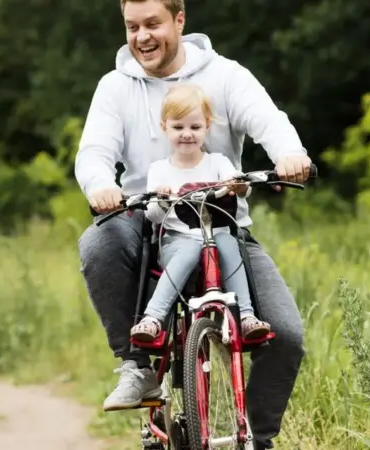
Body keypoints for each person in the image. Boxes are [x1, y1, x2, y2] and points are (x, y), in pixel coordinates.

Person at [74, 1, 312, 448]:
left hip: (222, 227)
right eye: (132, 26)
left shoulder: (225, 76)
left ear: (179, 21)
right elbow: (93, 153)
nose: (142, 36)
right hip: (149, 223)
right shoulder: (115, 88)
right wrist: (100, 185)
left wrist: (289, 154)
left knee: (287, 337)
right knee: (98, 242)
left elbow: (269, 121)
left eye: (153, 24)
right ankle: (137, 367)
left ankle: (256, 438)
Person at [130, 83, 271, 343]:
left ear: (207, 126)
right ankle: (153, 317)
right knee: (188, 250)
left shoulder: (218, 163)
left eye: (195, 127)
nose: (187, 134)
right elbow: (152, 215)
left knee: (229, 245)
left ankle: (246, 317)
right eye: (178, 127)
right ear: (164, 127)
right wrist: (161, 199)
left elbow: (238, 185)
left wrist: (238, 185)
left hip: (217, 234)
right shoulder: (160, 170)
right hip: (177, 239)